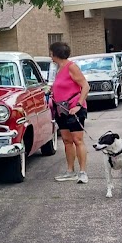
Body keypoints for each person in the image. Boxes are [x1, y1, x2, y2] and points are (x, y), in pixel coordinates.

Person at [49, 41, 90, 184]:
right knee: (67, 141)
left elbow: (85, 86)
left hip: (74, 109)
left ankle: (83, 172)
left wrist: (78, 105)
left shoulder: (71, 67)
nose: (50, 55)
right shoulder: (58, 69)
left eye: (51, 53)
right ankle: (70, 171)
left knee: (77, 140)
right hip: (61, 110)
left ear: (55, 54)